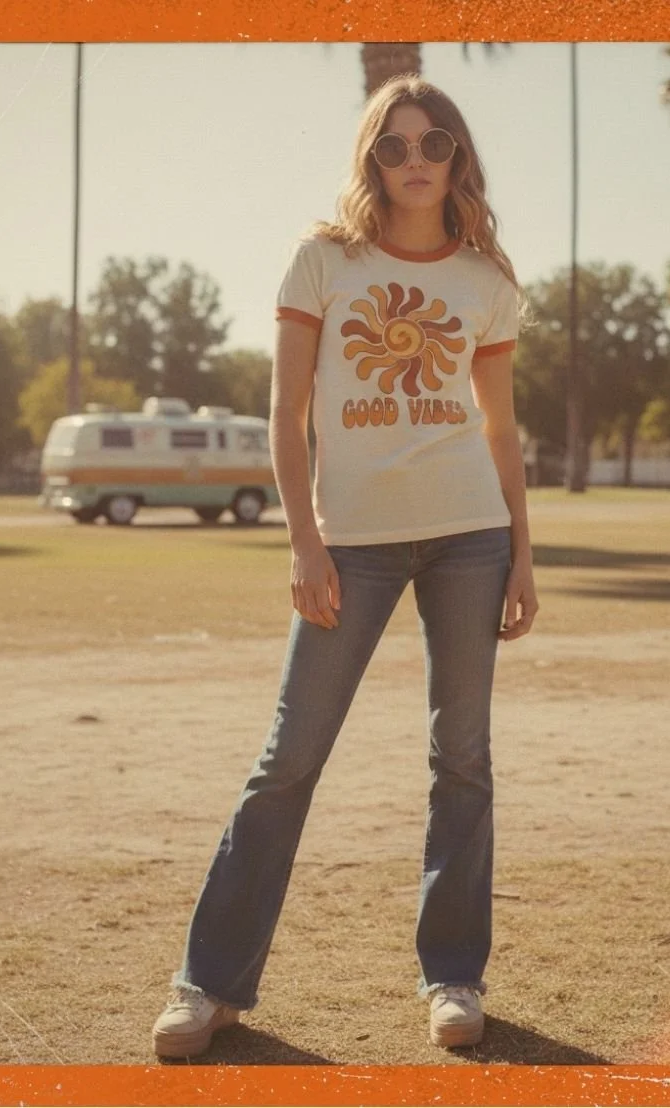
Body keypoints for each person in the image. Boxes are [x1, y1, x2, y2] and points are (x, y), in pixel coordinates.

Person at [152, 74, 539, 1059]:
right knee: (287, 758)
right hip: (349, 547)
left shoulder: (488, 281)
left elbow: (500, 432)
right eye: (393, 145)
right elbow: (286, 417)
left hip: (470, 536)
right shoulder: (322, 260)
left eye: (432, 143)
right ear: (371, 160)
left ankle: (453, 975)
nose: (413, 160)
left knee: (462, 760)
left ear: (457, 158)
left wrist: (522, 554)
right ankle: (210, 985)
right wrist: (303, 539)